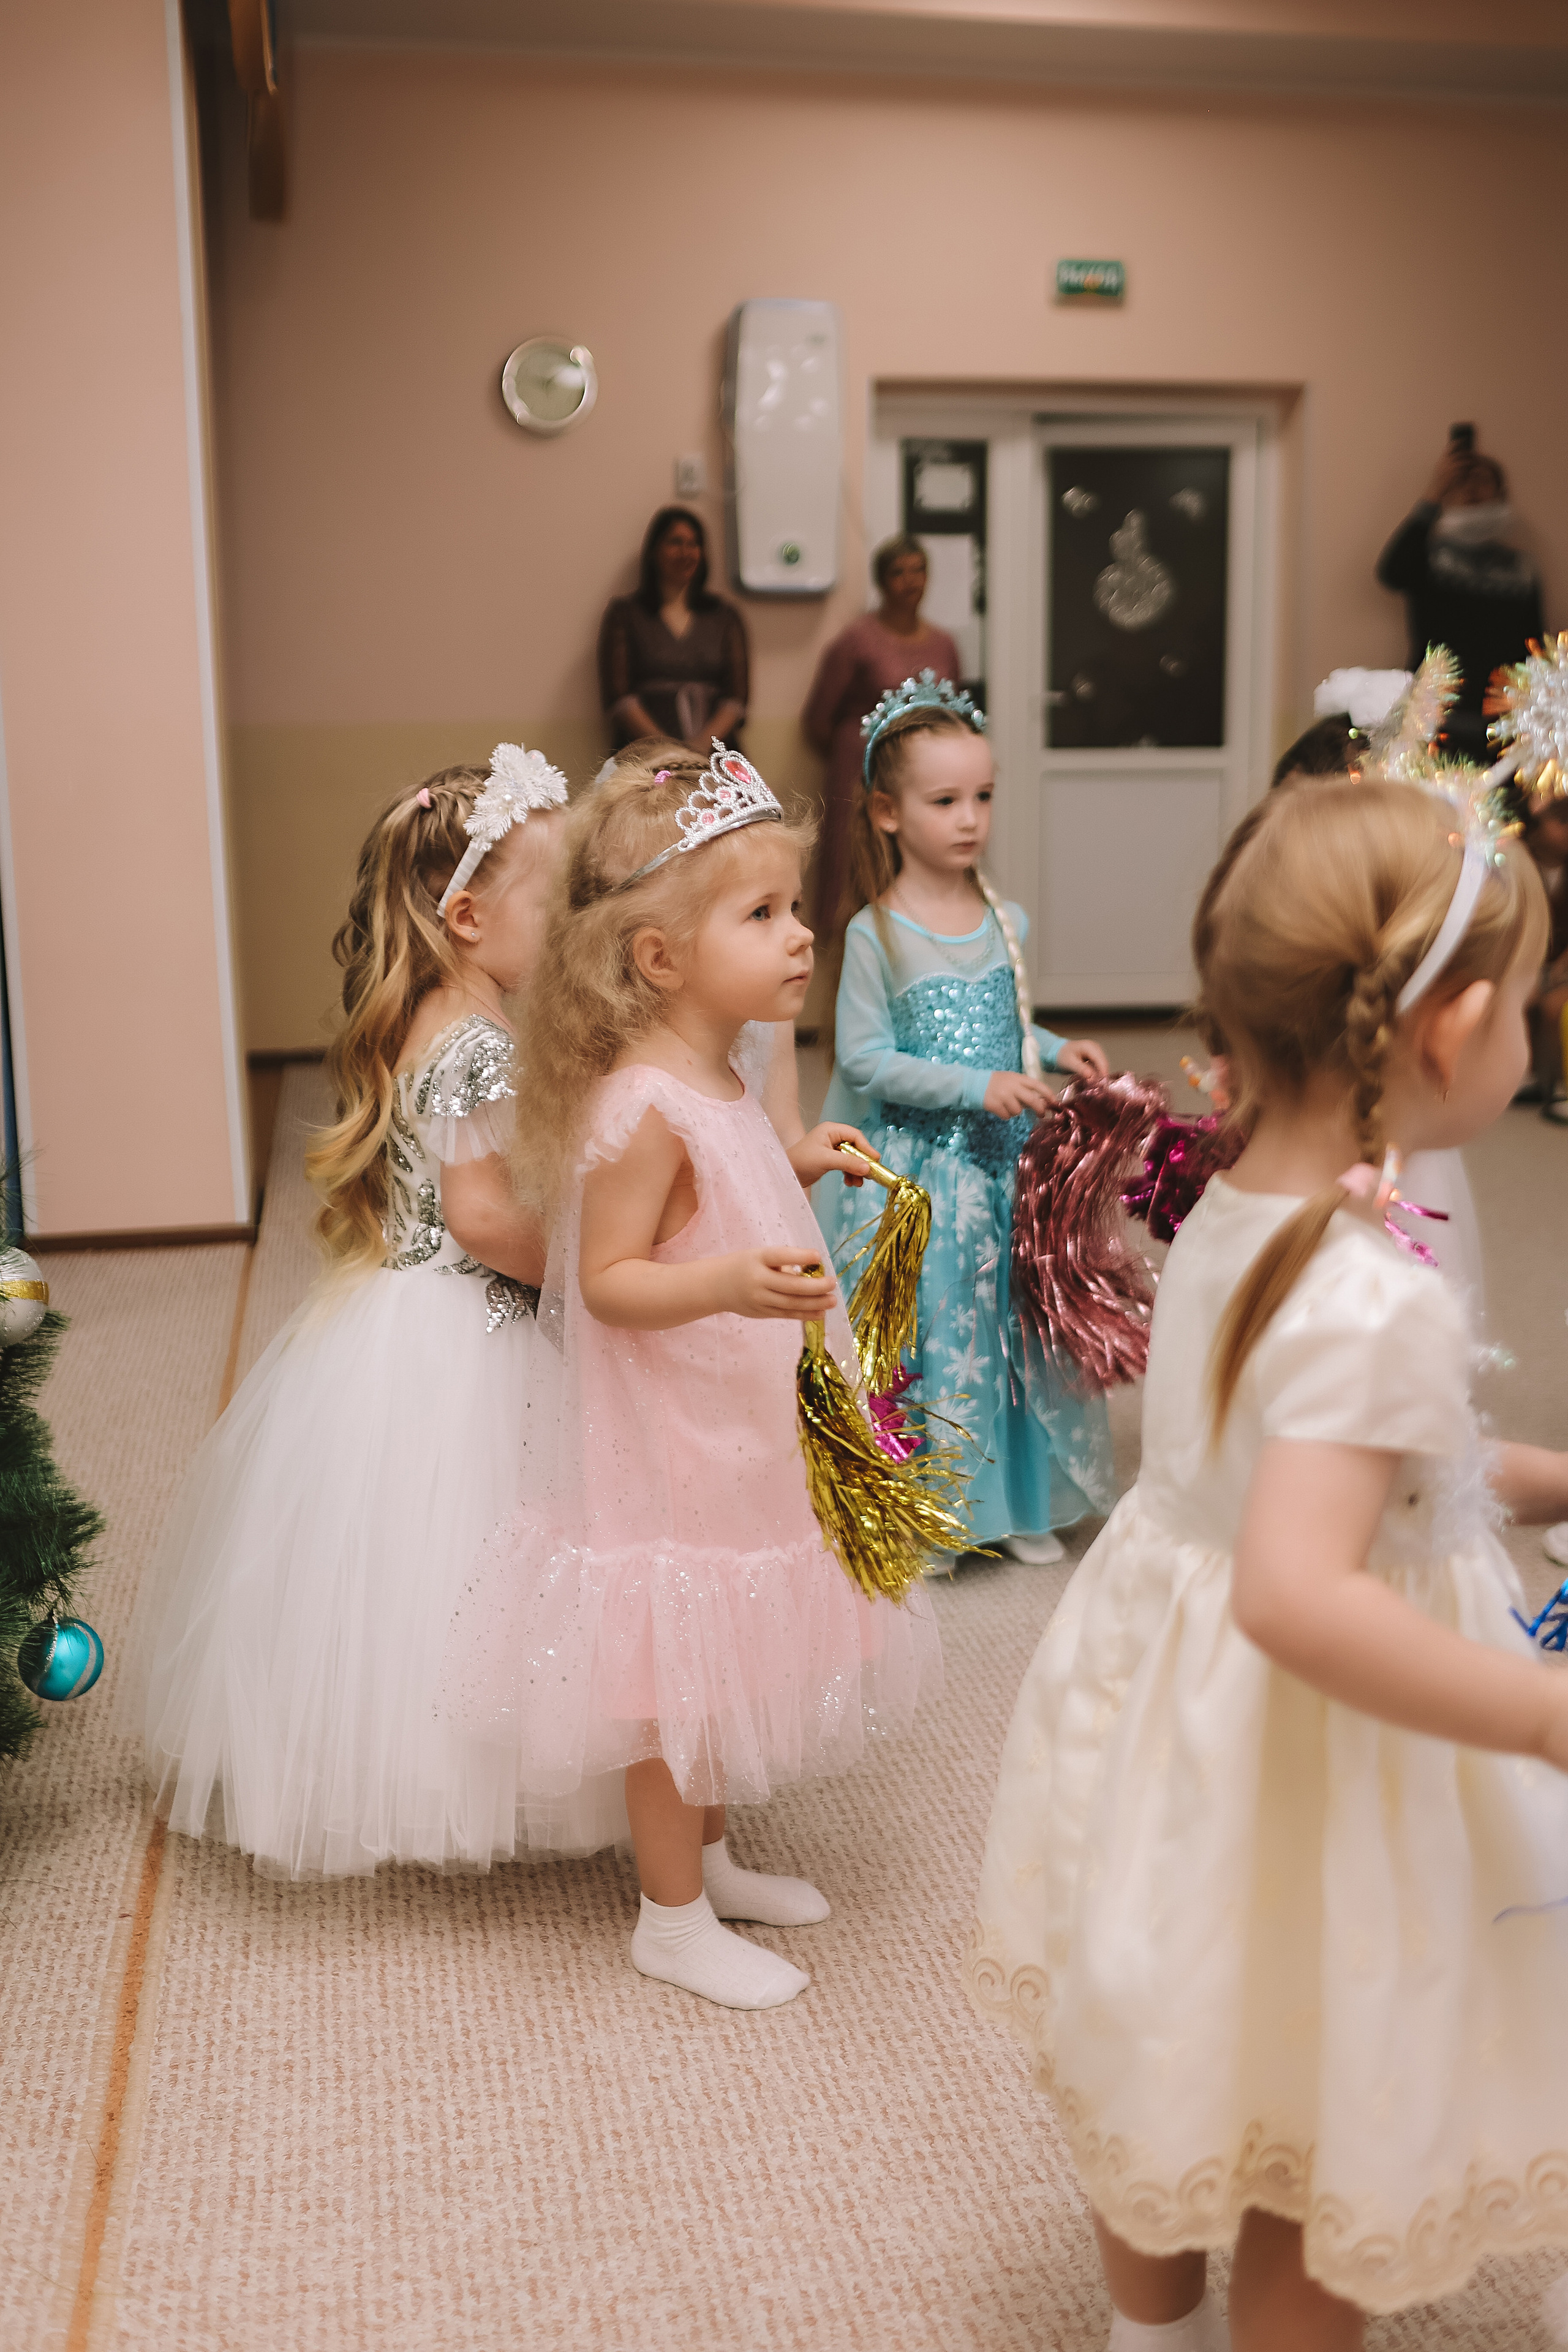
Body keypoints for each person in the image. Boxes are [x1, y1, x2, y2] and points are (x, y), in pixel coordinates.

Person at [966, 777, 1568, 2351]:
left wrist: (1547, 1477)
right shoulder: (1372, 1289)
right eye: (1530, 1000)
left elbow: (1324, 1460)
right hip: (1307, 1736)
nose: (1539, 1030)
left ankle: (1146, 2328)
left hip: (1169, 1692)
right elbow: (1300, 1585)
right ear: (1440, 1033)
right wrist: (1539, 1715)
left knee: (1172, 2039)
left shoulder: (1243, 1199)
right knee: (1307, 2114)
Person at [440, 740, 940, 2010]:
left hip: (736, 1417)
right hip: (665, 1436)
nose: (800, 937)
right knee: (673, 1673)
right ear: (658, 958)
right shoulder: (637, 1108)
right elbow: (606, 1281)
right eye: (760, 914)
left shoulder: (720, 1074)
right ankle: (667, 1917)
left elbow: (734, 1173)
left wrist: (798, 1160)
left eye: (793, 908)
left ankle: (709, 1861)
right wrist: (721, 1282)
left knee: (723, 1647)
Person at [141, 747, 567, 1877]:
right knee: (482, 1545)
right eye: (556, 897)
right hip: (477, 1319)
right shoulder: (479, 1046)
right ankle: (477, 1773)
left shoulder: (435, 1013)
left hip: (399, 1314)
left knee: (406, 1560)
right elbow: (483, 1217)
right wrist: (579, 1268)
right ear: (468, 916)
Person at [813, 675, 1117, 1568]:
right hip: (928, 1174)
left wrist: (1055, 1050)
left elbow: (1006, 1019)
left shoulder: (1002, 918)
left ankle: (1020, 1503)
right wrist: (975, 1085)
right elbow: (865, 1058)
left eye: (983, 797)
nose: (970, 818)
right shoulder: (879, 933)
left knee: (1009, 1326)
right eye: (945, 800)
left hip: (1004, 1167)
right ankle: (940, 1510)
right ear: (887, 812)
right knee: (940, 1331)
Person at [802, 534, 962, 952]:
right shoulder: (857, 640)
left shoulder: (944, 643)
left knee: (914, 876)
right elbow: (819, 720)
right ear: (882, 582)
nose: (910, 581)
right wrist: (860, 757)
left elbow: (952, 711)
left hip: (924, 779)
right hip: (862, 779)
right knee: (855, 882)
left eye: (918, 570)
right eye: (899, 572)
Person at [1376, 438, 1543, 758]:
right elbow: (1391, 573)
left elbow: (1533, 642)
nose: (1472, 491)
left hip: (1502, 717)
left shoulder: (1521, 568)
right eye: (1462, 482)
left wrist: (1531, 709)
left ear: (1500, 494)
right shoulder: (1428, 557)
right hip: (1433, 709)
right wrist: (1432, 496)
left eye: (1482, 482)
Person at [598, 507, 749, 753]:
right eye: (675, 542)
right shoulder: (625, 615)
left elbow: (736, 698)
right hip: (644, 755)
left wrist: (700, 747)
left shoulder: (725, 617)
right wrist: (668, 750)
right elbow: (620, 697)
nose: (686, 552)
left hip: (716, 755)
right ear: (654, 551)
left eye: (694, 544)